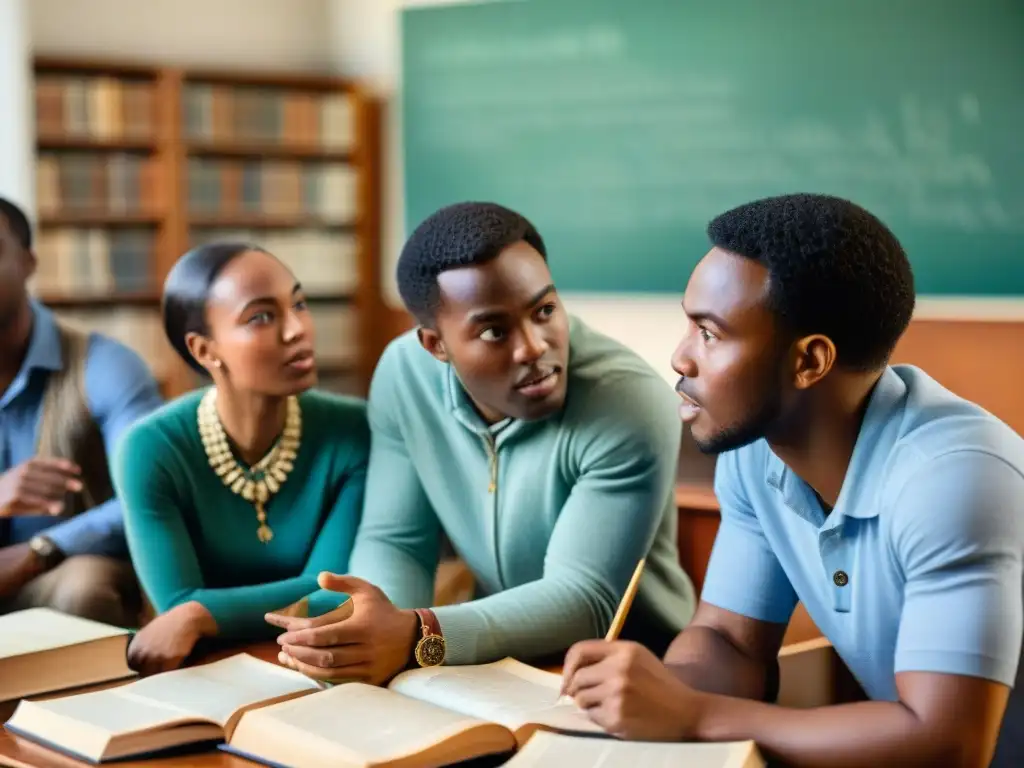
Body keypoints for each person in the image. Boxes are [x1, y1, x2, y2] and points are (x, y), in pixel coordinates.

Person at [560, 193, 1024, 767]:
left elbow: (951, 743)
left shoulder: (955, 479)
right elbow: (729, 642)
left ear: (809, 362)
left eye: (710, 333)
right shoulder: (755, 452)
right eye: (689, 324)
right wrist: (649, 697)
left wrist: (692, 714)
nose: (680, 357)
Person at [267, 201, 697, 685]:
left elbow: (584, 600)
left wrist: (413, 635)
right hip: (484, 658)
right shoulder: (404, 374)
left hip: (630, 672)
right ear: (436, 345)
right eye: (495, 330)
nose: (534, 346)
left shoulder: (629, 400)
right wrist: (375, 632)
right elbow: (397, 539)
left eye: (545, 311)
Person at [111, 242, 369, 676]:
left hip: (319, 660)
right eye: (262, 317)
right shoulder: (151, 448)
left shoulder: (354, 430)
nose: (297, 329)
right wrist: (187, 611)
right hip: (201, 671)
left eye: (300, 304)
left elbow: (334, 591)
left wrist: (200, 614)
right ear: (205, 350)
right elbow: (173, 601)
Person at [0, 196, 162, 627]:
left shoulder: (104, 366)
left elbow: (150, 490)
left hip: (56, 575)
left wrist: (40, 549)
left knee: (85, 587)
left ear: (29, 262)